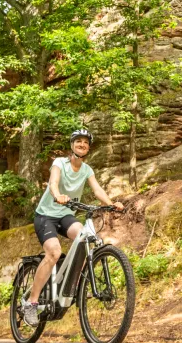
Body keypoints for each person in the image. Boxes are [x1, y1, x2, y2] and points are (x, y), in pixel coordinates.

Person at [23, 129, 123, 325]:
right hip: (46, 216)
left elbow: (96, 189)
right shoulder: (59, 163)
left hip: (66, 215)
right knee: (53, 252)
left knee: (86, 238)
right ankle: (32, 304)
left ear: (89, 148)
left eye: (85, 142)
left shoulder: (87, 169)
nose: (82, 145)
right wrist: (57, 194)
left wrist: (111, 203)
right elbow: (54, 182)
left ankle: (76, 283)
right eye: (78, 141)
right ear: (72, 145)